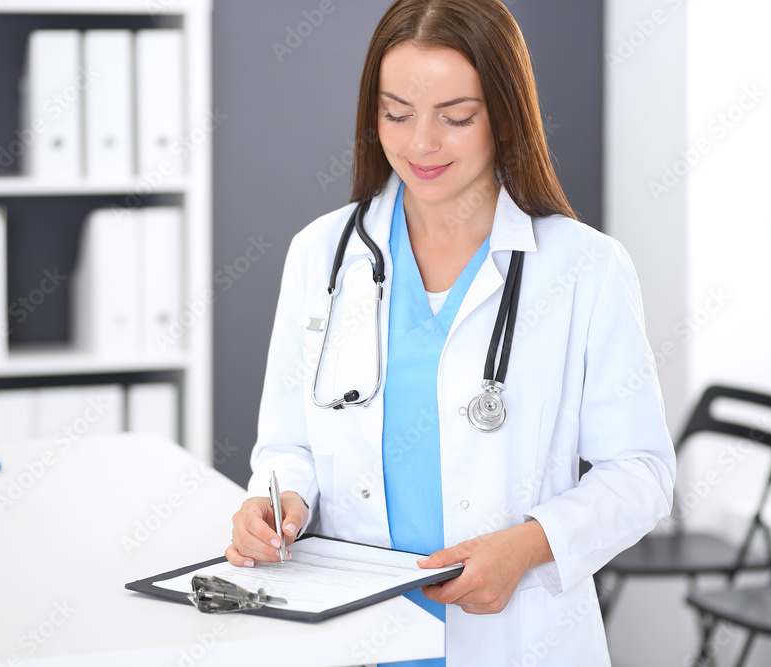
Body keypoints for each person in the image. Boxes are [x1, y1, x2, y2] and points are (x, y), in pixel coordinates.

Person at [227, 0, 676, 664]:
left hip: (511, 633)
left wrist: (528, 543)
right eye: (397, 114)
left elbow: (641, 473)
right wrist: (276, 500)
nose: (421, 145)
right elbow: (287, 442)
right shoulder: (321, 254)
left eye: (456, 117)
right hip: (353, 632)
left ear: (505, 115)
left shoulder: (585, 268)